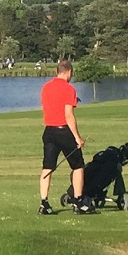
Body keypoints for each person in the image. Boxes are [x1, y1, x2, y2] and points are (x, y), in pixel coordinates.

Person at [39, 58, 89, 214]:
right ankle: (78, 202)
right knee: (78, 166)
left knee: (47, 167)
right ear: (69, 72)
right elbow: (68, 115)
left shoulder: (46, 87)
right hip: (64, 131)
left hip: (49, 131)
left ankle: (44, 204)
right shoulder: (69, 89)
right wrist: (77, 137)